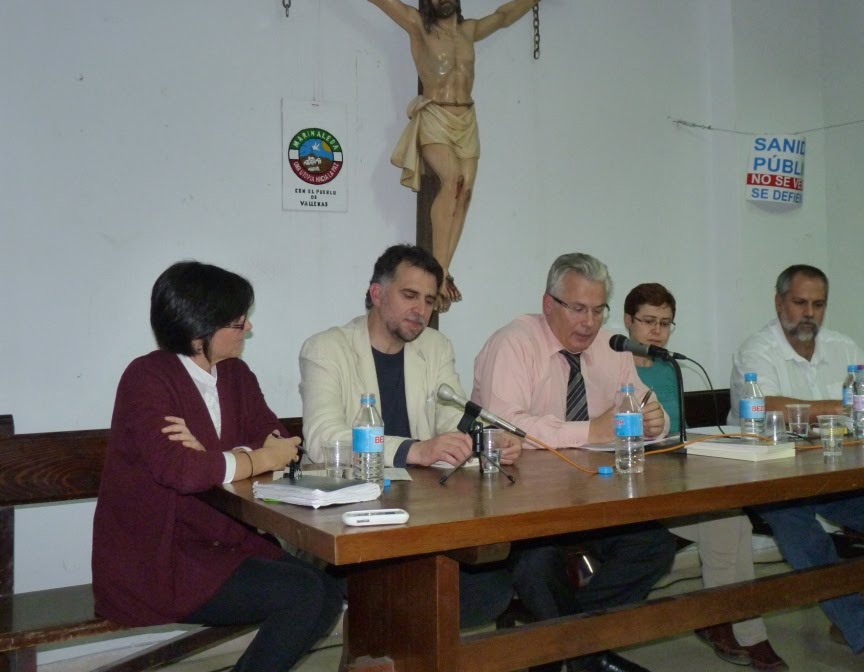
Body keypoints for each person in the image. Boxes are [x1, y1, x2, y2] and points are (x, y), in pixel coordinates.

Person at [92, 262, 344, 672]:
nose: (247, 328)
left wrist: (214, 454)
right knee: (302, 593)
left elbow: (282, 444)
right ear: (198, 328)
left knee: (328, 590)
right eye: (236, 320)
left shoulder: (236, 374)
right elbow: (181, 472)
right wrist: (252, 459)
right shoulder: (147, 378)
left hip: (224, 543)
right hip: (160, 557)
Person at [302, 0, 561, 312]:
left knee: (466, 193)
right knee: (452, 180)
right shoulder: (417, 28)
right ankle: (438, 272)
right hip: (436, 115)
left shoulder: (470, 31)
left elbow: (506, 15)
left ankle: (442, 272)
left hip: (467, 118)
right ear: (427, 2)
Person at [473, 253, 677, 672]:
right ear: (549, 305)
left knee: (653, 546)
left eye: (598, 310)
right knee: (537, 563)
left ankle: (568, 644)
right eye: (578, 309)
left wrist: (655, 420)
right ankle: (587, 657)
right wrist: (592, 432)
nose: (589, 322)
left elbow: (638, 402)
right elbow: (504, 423)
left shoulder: (611, 346)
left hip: (590, 498)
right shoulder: (514, 342)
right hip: (519, 505)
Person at [299, 243, 519, 627]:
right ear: (377, 293)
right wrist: (413, 450)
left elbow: (453, 422)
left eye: (430, 300)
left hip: (424, 516)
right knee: (436, 596)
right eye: (410, 295)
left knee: (490, 589)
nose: (421, 310)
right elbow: (323, 439)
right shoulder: (327, 348)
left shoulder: (435, 348)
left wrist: (486, 441)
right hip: (349, 522)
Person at [731, 264, 864, 672]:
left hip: (839, 477)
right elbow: (764, 406)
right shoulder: (757, 349)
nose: (809, 314)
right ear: (779, 301)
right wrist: (838, 407)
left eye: (818, 304)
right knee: (806, 537)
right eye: (800, 303)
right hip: (773, 483)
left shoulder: (841, 345)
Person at [624, 283, 788, 672]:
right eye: (648, 321)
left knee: (737, 523)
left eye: (665, 323)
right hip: (636, 482)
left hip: (675, 473)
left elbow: (677, 432)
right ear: (628, 321)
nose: (657, 331)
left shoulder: (669, 368)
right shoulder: (615, 367)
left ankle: (736, 626)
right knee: (729, 526)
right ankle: (732, 626)